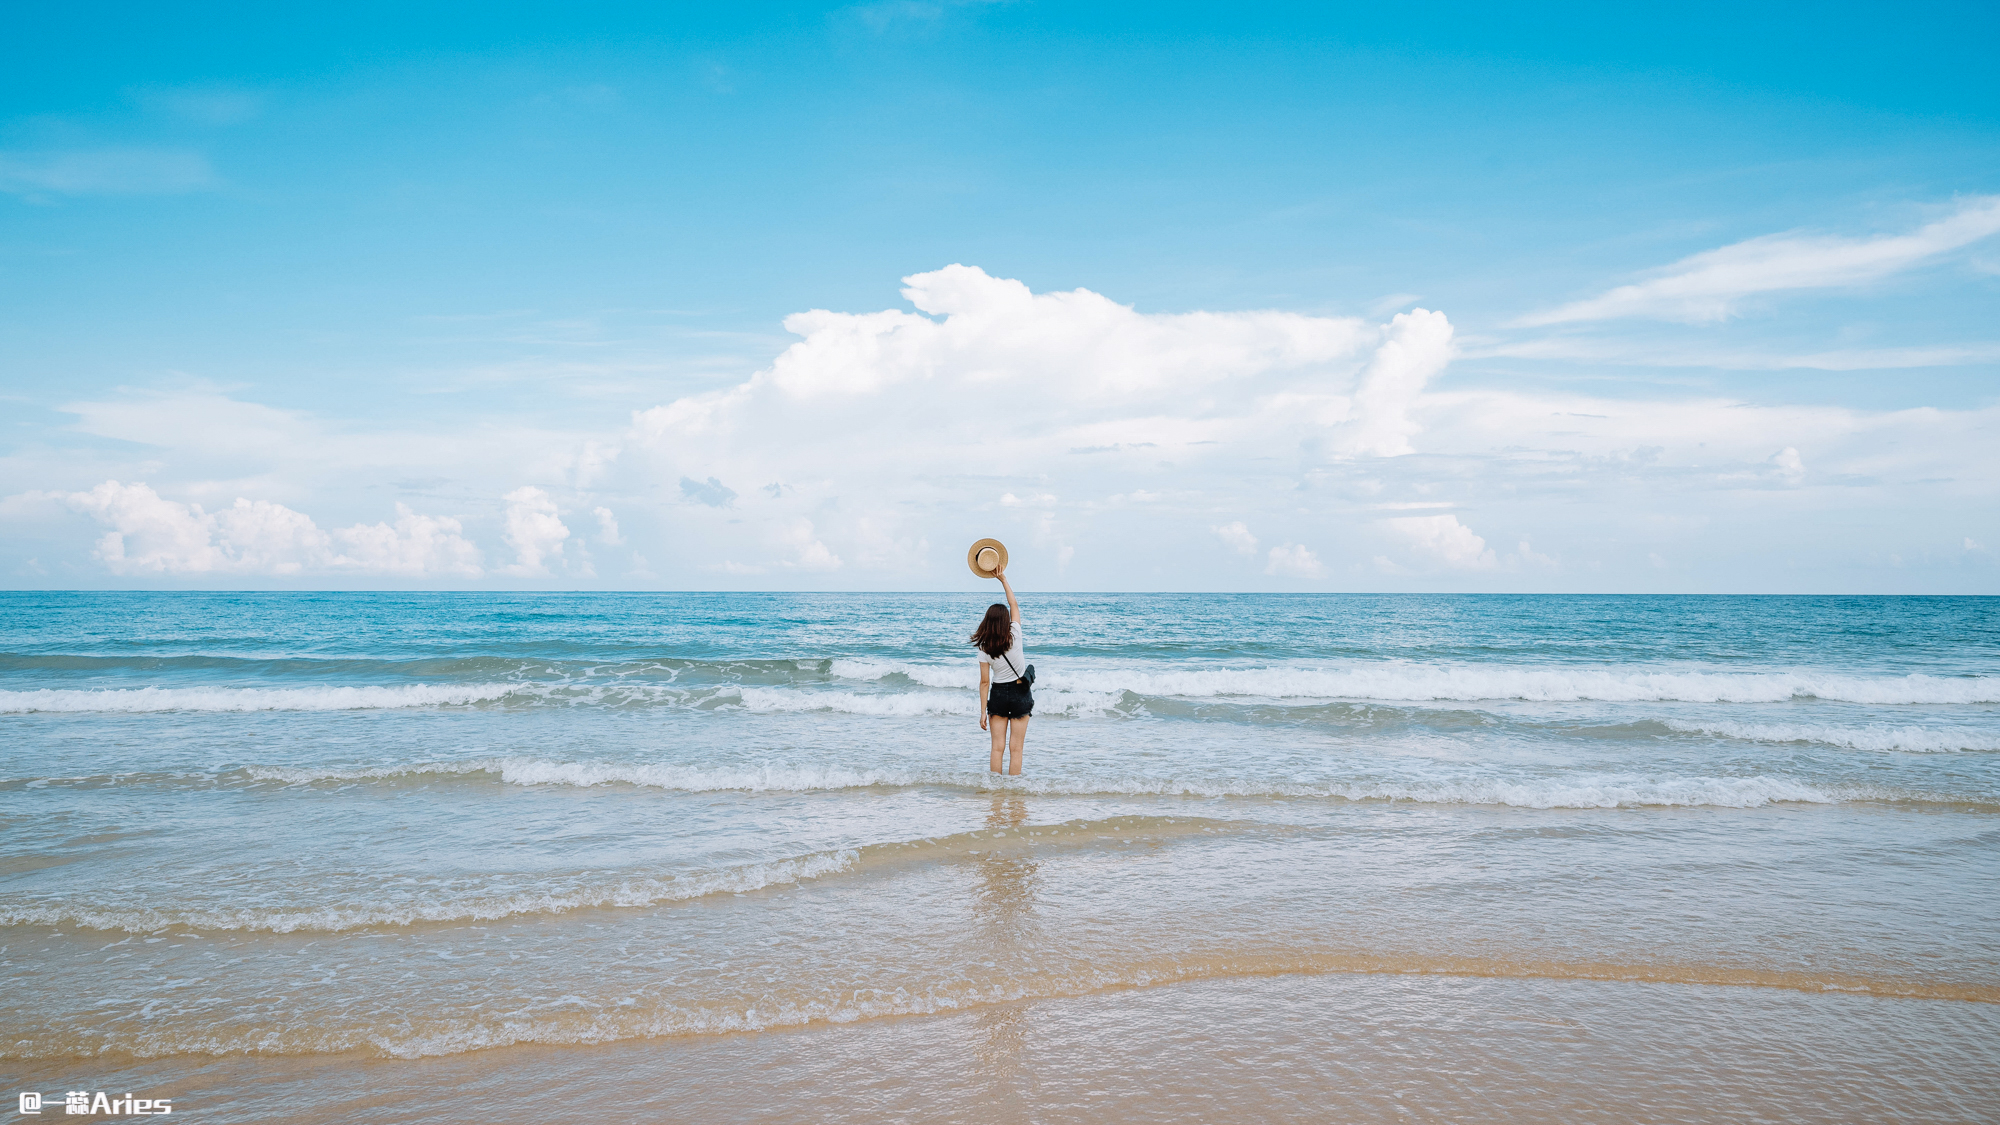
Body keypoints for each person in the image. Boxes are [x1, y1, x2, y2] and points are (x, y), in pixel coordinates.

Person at [972, 565, 1031, 775]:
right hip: (1020, 692)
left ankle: (996, 793)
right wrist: (1003, 579)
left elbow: (984, 682)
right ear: (1006, 620)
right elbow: (1013, 603)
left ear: (987, 622)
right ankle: (1014, 794)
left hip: (997, 694)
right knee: (1016, 749)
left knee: (997, 748)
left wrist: (982, 712)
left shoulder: (984, 647)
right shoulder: (1015, 632)